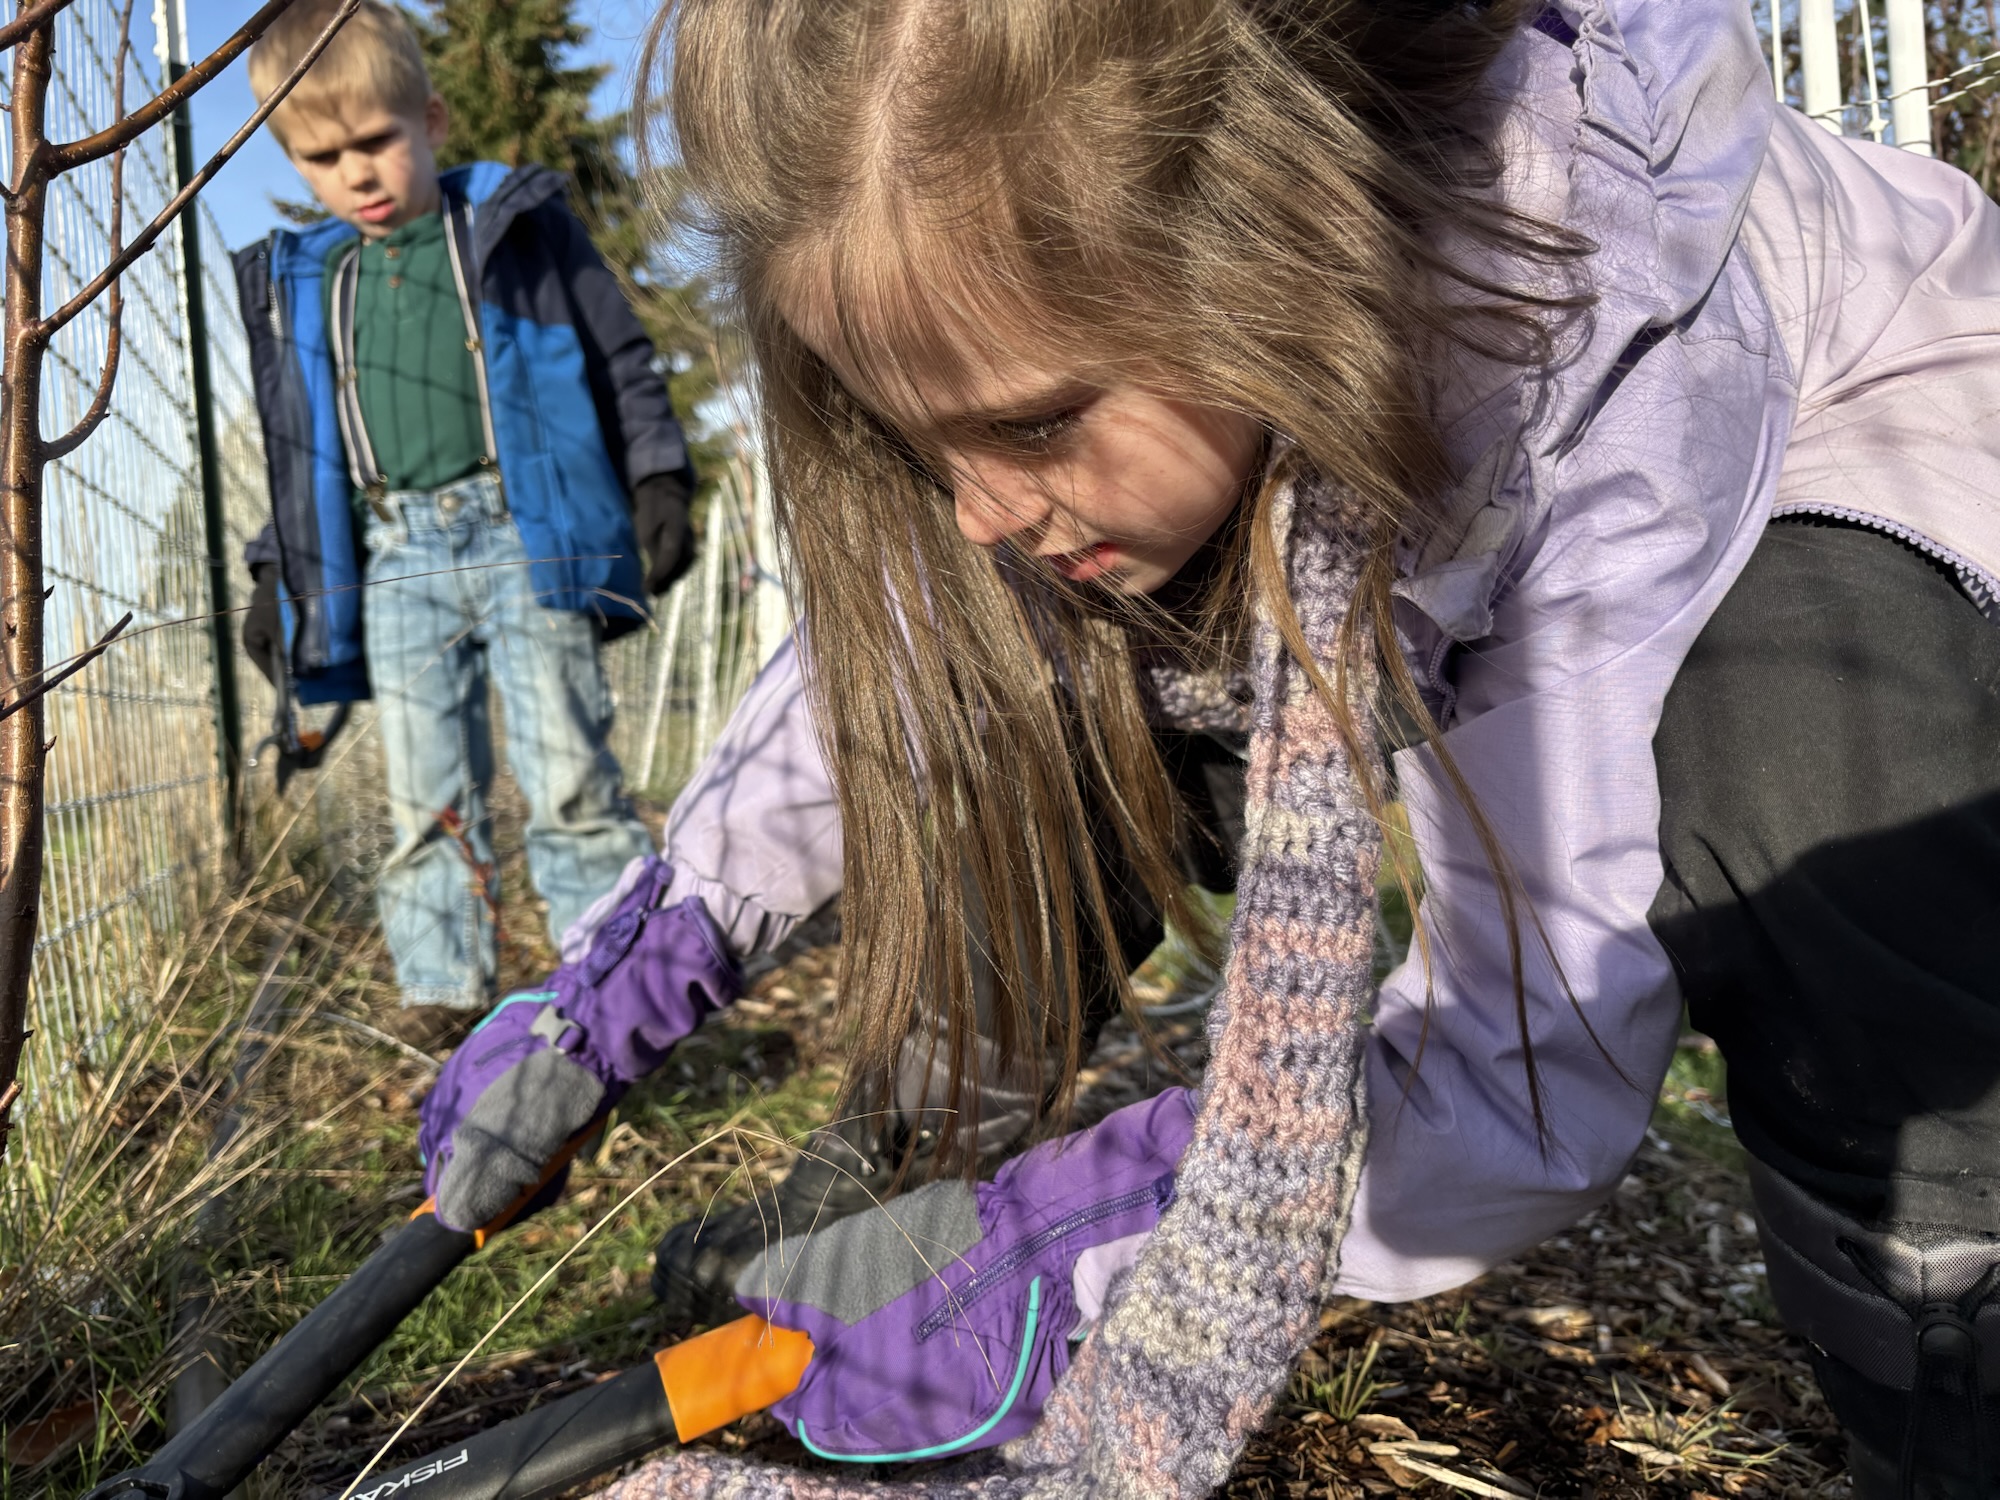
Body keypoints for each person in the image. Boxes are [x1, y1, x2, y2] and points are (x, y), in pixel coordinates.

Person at [418, 0, 2000, 1495]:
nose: (977, 508)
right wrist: (615, 989)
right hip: (1363, 461)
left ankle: (1947, 1358)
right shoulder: (1082, 366)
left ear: (1257, 244)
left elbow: (1528, 1077)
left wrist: (1069, 1252)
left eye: (1031, 424)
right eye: (923, 438)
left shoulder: (1592, 346)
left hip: (1847, 484)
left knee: (1804, 776)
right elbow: (881, 669)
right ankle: (886, 1215)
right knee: (1027, 657)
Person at [234, 1, 700, 1045]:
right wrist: (274, 569)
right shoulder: (314, 284)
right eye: (321, 158)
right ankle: (447, 998)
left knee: (568, 772)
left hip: (524, 536)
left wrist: (660, 475)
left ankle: (617, 984)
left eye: (375, 140)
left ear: (432, 121)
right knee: (425, 792)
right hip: (395, 558)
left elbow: (620, 354)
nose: (355, 173)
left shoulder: (510, 228)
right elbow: (300, 446)